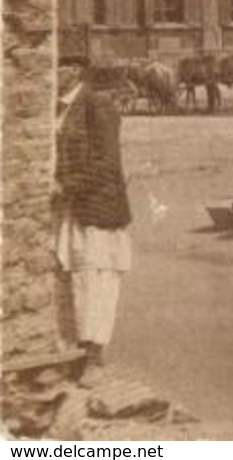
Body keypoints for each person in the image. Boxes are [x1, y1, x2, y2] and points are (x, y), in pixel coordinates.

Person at [54, 58, 132, 370]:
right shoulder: (63, 107)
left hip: (100, 209)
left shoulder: (97, 105)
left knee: (98, 279)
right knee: (79, 278)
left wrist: (67, 186)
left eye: (59, 70)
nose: (55, 76)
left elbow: (107, 163)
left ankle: (94, 352)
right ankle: (81, 349)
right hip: (77, 208)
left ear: (73, 72)